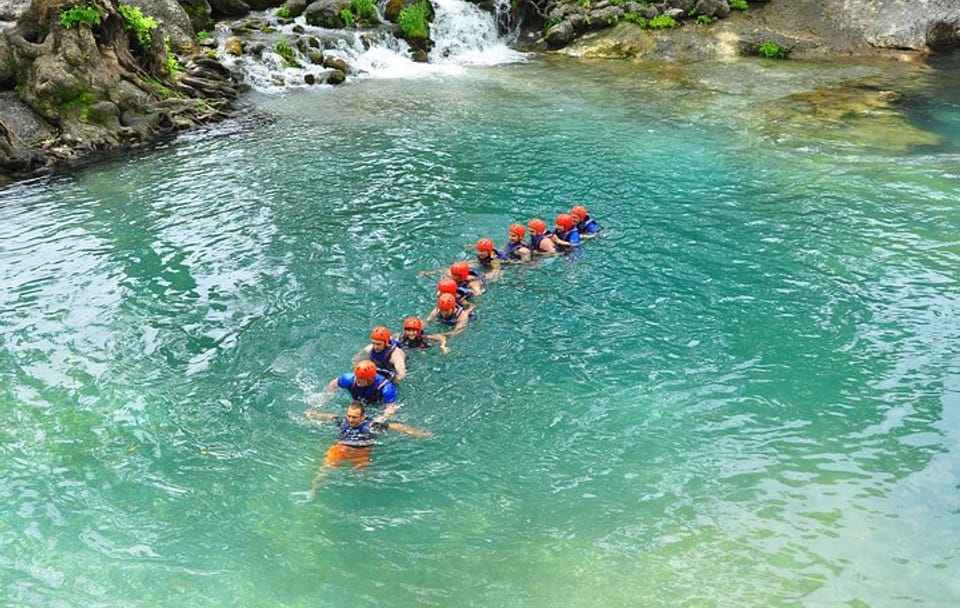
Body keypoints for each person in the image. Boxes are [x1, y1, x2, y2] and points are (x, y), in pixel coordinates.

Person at [304, 402, 430, 498]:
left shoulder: (371, 426)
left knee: (359, 477)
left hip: (362, 451)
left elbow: (395, 426)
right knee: (325, 469)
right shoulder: (343, 421)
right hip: (341, 447)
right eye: (349, 416)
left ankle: (352, 496)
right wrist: (314, 414)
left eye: (354, 417)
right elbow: (331, 416)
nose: (351, 420)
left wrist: (416, 433)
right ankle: (313, 490)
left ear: (362, 417)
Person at [320, 359, 399, 416]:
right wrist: (326, 396)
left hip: (376, 403)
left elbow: (391, 408)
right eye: (356, 377)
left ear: (370, 379)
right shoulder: (349, 379)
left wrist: (380, 419)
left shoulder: (386, 388)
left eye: (360, 379)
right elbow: (333, 384)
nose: (357, 380)